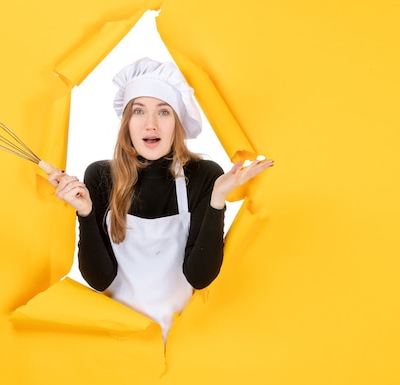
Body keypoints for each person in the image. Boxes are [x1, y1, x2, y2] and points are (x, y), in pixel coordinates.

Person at [48, 57, 273, 340]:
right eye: (139, 111)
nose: (150, 124)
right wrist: (85, 213)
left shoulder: (204, 175)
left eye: (164, 112)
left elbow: (199, 278)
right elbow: (99, 280)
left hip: (185, 341)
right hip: (117, 339)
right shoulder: (101, 175)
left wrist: (217, 200)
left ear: (178, 123)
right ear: (126, 122)